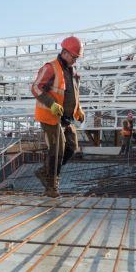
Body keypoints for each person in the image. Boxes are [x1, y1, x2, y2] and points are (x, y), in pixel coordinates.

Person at [31, 36, 85, 197]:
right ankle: (51, 187)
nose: (75, 61)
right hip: (49, 115)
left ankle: (45, 172)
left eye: (76, 58)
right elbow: (36, 87)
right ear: (66, 53)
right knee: (58, 149)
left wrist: (78, 110)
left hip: (65, 118)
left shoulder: (72, 72)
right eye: (74, 57)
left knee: (71, 147)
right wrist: (51, 104)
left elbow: (72, 96)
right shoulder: (50, 68)